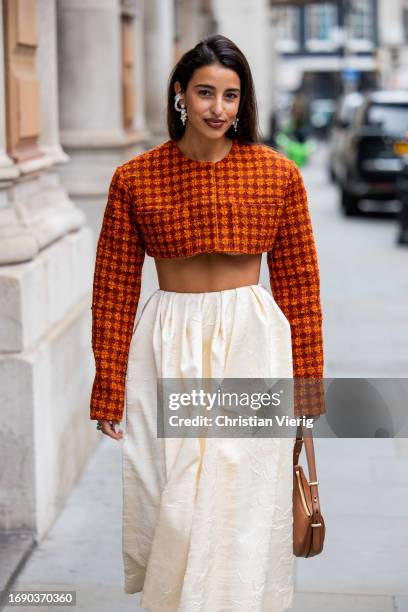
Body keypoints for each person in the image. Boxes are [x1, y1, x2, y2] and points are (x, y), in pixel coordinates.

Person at [89, 34, 325, 612]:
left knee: (241, 500)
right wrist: (109, 386)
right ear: (180, 96)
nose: (218, 108)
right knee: (170, 499)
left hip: (252, 344)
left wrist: (308, 384)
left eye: (231, 96)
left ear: (243, 104)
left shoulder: (278, 176)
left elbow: (299, 285)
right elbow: (114, 288)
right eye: (205, 93)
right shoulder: (134, 178)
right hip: (165, 347)